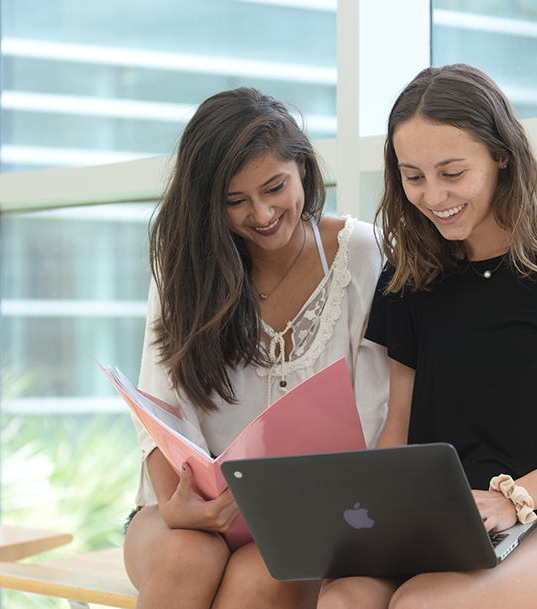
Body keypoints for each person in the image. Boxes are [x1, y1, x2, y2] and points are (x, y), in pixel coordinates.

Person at [317, 64, 537, 609]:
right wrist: (368, 519)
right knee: (342, 599)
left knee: (424, 605)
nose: (434, 196)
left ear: (501, 154)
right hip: (447, 522)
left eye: (453, 172)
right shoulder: (410, 275)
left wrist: (514, 499)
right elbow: (400, 429)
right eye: (413, 177)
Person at [123, 86, 389, 609]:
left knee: (260, 573)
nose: (262, 214)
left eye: (274, 188)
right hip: (188, 513)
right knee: (186, 559)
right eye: (235, 201)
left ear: (305, 171)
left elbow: (376, 415)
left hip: (315, 520)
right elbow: (161, 412)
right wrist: (179, 509)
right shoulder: (182, 269)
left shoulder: (362, 254)